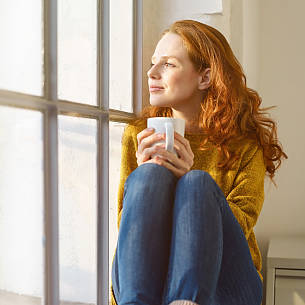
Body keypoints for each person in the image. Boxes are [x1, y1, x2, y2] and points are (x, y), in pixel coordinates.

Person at [110, 19, 287, 305]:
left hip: (226, 285)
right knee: (148, 177)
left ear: (204, 78)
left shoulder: (245, 145)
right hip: (146, 282)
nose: (151, 72)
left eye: (168, 64)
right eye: (154, 63)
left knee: (197, 183)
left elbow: (239, 226)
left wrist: (185, 176)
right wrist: (146, 184)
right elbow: (125, 226)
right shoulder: (139, 135)